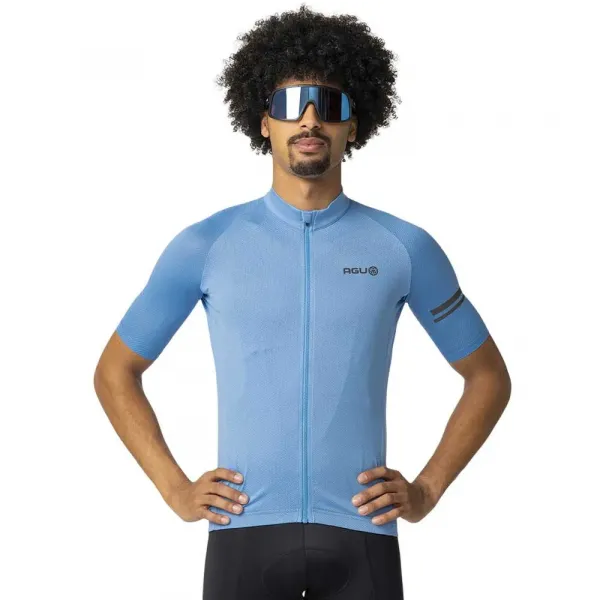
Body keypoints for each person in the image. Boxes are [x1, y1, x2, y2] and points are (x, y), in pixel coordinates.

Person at [93, 5, 511, 599]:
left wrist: (426, 489)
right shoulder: (206, 245)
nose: (310, 119)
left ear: (353, 126)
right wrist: (175, 489)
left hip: (362, 536)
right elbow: (115, 370)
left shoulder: (404, 247)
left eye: (329, 104)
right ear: (264, 122)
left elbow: (488, 377)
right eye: (291, 104)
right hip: (243, 534)